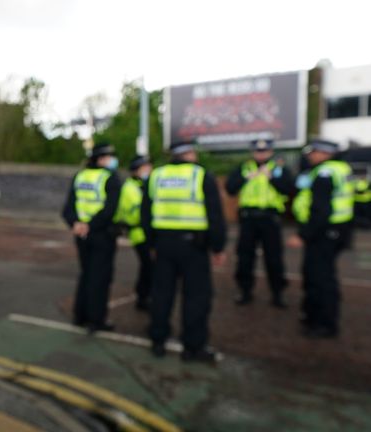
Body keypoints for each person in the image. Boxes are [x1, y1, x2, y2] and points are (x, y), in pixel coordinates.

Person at [142, 141, 227, 363]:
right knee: (197, 297)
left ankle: (158, 341)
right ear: (189, 154)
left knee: (161, 294)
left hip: (163, 244)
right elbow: (215, 214)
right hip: (193, 247)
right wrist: (218, 246)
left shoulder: (156, 176)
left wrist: (151, 244)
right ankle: (193, 347)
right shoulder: (201, 176)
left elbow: (146, 213)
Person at [287, 140, 354, 339]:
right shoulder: (340, 168)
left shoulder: (325, 173)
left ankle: (324, 324)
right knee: (316, 274)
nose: (310, 156)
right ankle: (312, 315)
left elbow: (321, 210)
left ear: (325, 153)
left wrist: (303, 235)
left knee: (321, 279)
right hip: (337, 229)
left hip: (324, 233)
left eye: (314, 152)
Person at [225, 139, 293, 308]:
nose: (261, 154)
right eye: (257, 151)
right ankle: (244, 290)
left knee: (274, 258)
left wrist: (271, 178)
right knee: (245, 256)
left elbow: (289, 189)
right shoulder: (244, 168)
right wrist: (245, 178)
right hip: (248, 218)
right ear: (252, 152)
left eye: (264, 151)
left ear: (270, 152)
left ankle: (278, 293)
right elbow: (230, 188)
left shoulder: (278, 168)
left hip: (270, 218)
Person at [62, 142, 122, 333]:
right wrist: (90, 225)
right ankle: (96, 321)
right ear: (102, 158)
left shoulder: (80, 176)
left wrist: (76, 224)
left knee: (86, 274)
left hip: (82, 235)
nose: (112, 160)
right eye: (110, 156)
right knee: (100, 278)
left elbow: (68, 208)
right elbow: (109, 210)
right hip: (101, 234)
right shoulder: (110, 177)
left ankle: (80, 316)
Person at [115, 155, 153, 311]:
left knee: (149, 267)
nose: (149, 169)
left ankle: (144, 296)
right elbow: (139, 212)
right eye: (145, 167)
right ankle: (143, 298)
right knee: (149, 266)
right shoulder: (130, 188)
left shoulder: (144, 185)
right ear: (136, 170)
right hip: (139, 233)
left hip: (146, 232)